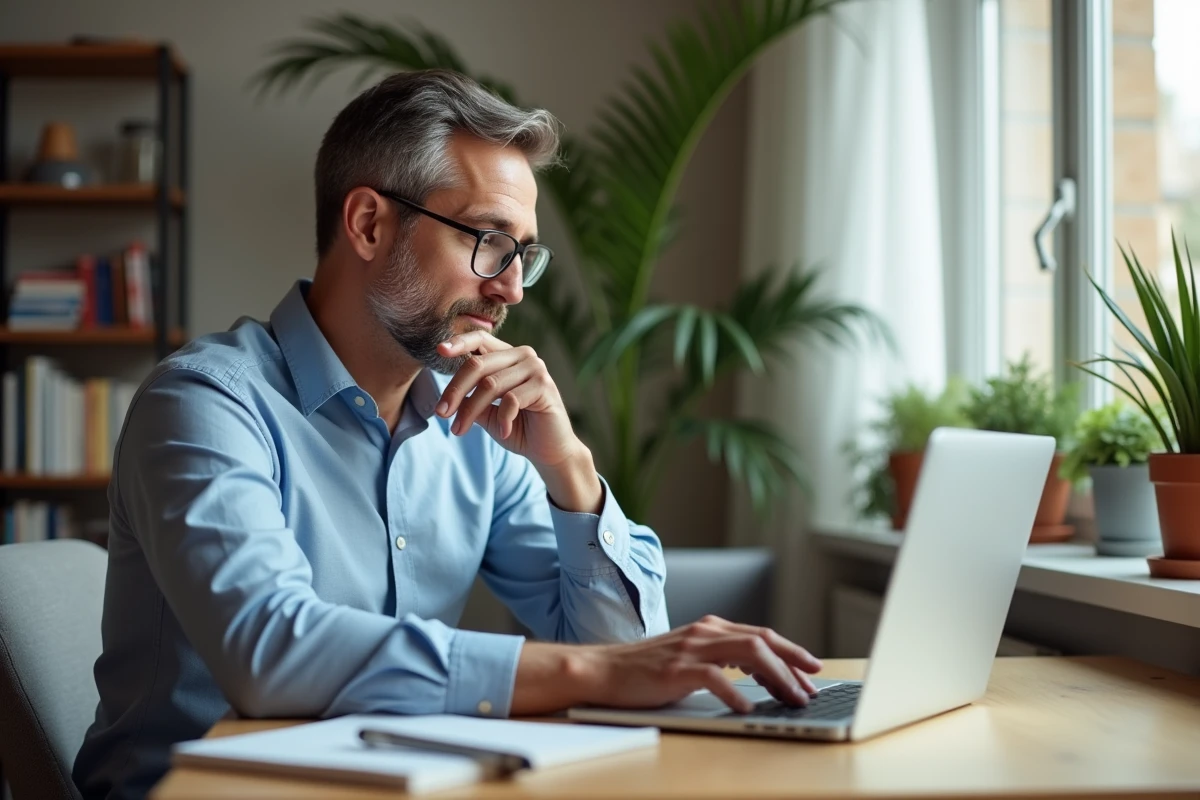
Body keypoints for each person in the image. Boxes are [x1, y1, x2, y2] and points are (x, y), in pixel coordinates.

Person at [72, 69, 823, 800]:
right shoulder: (204, 405)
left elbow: (624, 655)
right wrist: (589, 675)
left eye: (523, 253)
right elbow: (271, 652)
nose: (512, 288)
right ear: (369, 224)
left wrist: (571, 470)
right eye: (489, 240)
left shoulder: (473, 427)